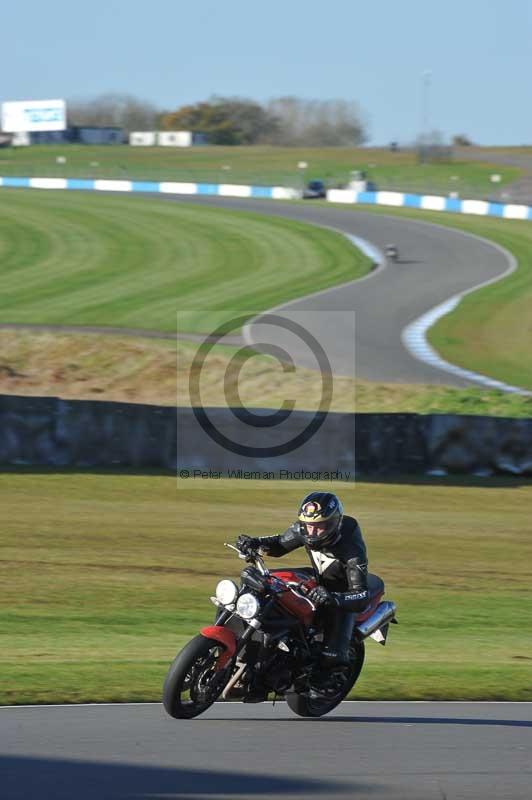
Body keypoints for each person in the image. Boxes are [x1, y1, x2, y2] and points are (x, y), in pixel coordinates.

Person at [236, 491, 369, 698]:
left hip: (341, 594)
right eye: (308, 525)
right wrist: (254, 543)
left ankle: (329, 672)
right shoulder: (304, 529)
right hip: (317, 579)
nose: (312, 532)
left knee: (330, 659)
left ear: (334, 523)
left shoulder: (351, 550)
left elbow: (361, 595)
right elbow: (279, 544)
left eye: (319, 526)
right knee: (269, 583)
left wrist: (333, 598)